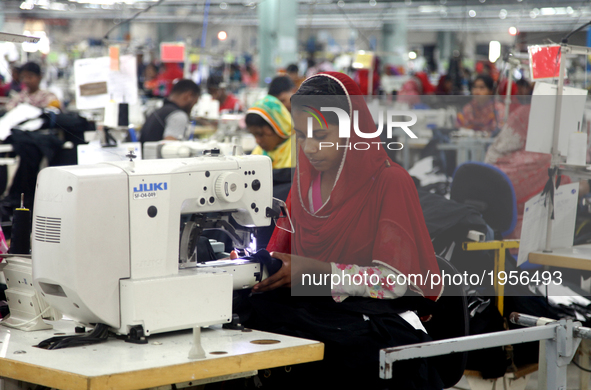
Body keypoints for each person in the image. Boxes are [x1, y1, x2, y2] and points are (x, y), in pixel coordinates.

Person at [237, 72, 444, 389]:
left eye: (320, 135)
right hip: (322, 312)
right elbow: (285, 254)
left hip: (375, 320)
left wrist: (317, 272)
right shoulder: (307, 185)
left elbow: (395, 281)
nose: (308, 147)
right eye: (301, 136)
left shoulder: (390, 182)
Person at [139, 79, 200, 143]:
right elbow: (170, 148)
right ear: (188, 96)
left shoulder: (156, 111)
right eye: (194, 103)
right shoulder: (178, 115)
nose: (192, 107)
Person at [246, 95, 293, 170]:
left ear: (277, 127)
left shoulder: (299, 148)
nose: (257, 141)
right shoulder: (260, 151)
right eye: (254, 135)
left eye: (260, 134)